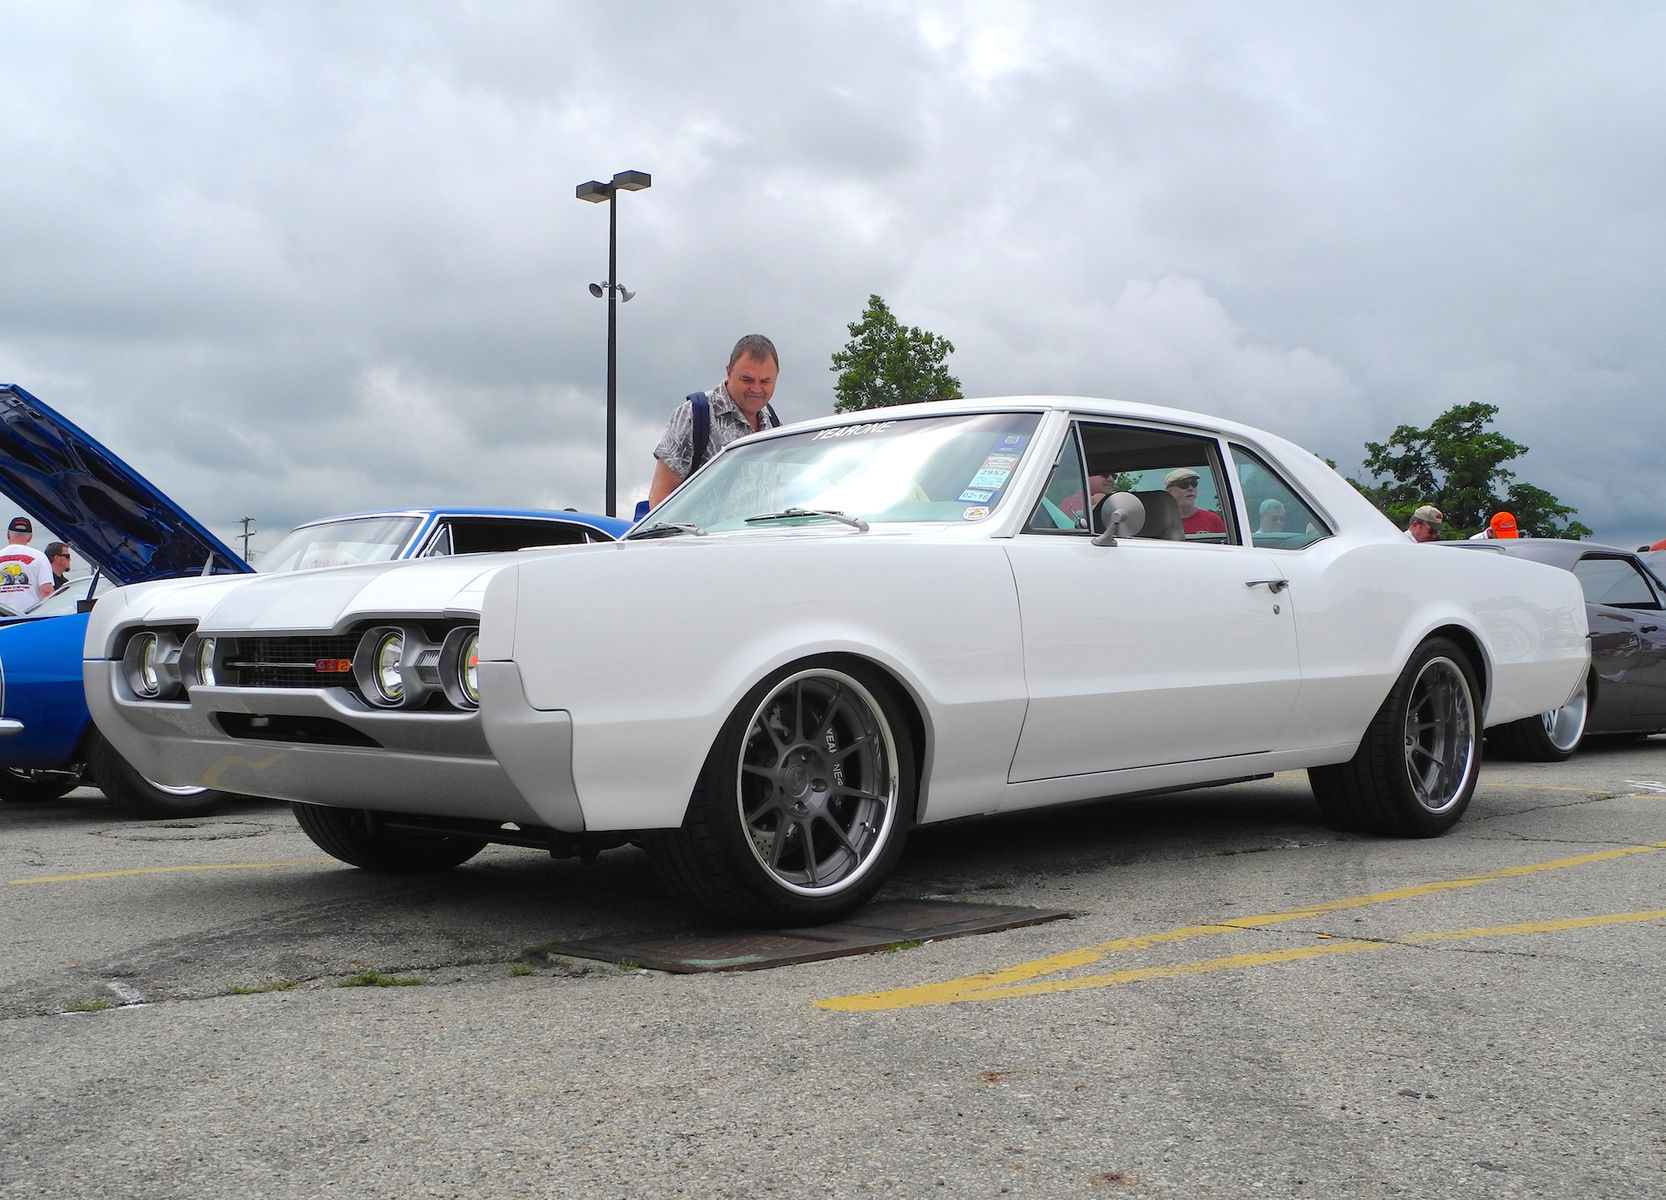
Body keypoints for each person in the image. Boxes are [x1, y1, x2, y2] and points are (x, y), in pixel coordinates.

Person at [648, 334, 782, 509]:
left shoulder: (773, 423)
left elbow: (775, 496)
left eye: (765, 381)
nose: (756, 389)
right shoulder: (694, 415)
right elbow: (660, 496)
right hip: (704, 536)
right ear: (729, 372)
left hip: (759, 536)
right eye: (747, 379)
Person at [0, 516, 53, 606]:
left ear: (8, 535)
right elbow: (46, 591)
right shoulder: (39, 557)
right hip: (30, 615)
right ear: (30, 537)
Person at [1164, 468, 1226, 535]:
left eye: (1194, 484)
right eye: (1184, 484)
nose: (1190, 488)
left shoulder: (1213, 520)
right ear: (1169, 491)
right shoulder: (1159, 523)